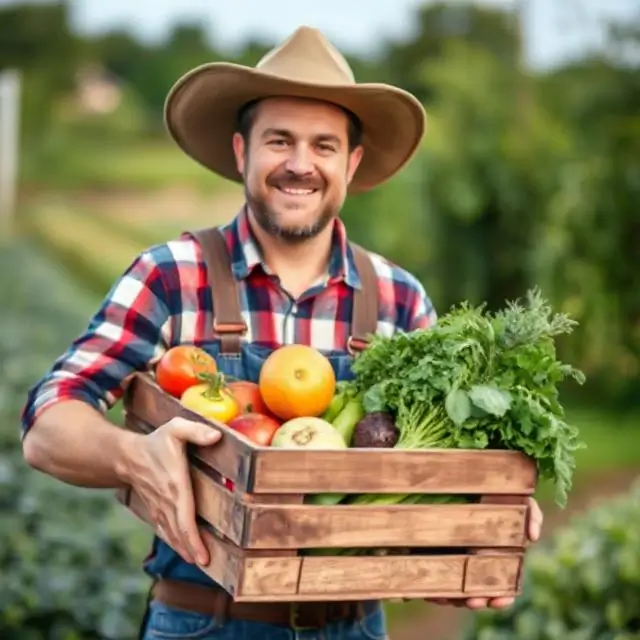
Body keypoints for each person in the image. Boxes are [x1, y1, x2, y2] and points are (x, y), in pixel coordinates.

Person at [20, 25, 543, 640]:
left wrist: (477, 513)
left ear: (350, 163)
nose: (300, 165)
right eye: (279, 141)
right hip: (203, 622)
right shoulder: (171, 277)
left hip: (355, 624)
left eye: (324, 145)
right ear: (242, 153)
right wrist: (132, 456)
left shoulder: (400, 299)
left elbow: (436, 462)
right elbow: (48, 423)